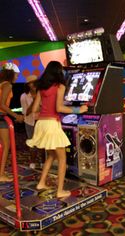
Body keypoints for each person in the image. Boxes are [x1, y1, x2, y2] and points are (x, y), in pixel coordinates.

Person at [26, 61, 88, 198]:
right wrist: (79, 109)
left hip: (41, 123)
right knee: (62, 159)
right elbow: (59, 108)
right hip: (51, 124)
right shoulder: (59, 86)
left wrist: (46, 106)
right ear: (59, 72)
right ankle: (60, 191)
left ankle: (41, 182)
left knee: (51, 156)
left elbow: (35, 109)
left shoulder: (41, 88)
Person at [0, 62, 24, 182]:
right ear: (10, 74)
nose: (17, 77)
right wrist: (16, 116)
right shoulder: (7, 85)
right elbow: (2, 105)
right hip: (1, 117)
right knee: (6, 145)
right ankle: (1, 174)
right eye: (16, 75)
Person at [20, 75, 39, 169]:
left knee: (45, 141)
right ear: (27, 85)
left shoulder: (42, 93)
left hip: (41, 120)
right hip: (30, 122)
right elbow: (26, 113)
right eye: (31, 83)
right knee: (32, 142)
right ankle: (33, 162)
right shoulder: (24, 96)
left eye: (35, 82)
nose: (33, 85)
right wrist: (35, 100)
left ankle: (43, 161)